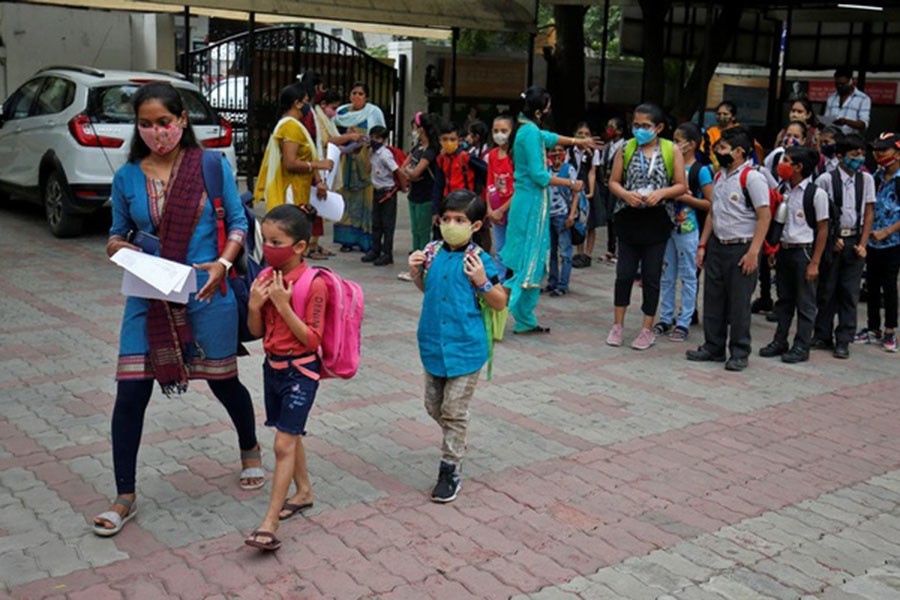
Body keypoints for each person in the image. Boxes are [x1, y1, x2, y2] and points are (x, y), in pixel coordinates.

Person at [96, 82, 260, 536]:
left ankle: (249, 448)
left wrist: (224, 264)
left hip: (208, 293)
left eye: (164, 123)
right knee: (130, 393)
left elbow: (240, 223)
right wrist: (118, 249)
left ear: (182, 120)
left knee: (224, 381)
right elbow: (118, 231)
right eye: (145, 125)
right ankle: (124, 495)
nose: (156, 133)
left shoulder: (209, 165)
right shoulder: (128, 175)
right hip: (149, 298)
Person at [408, 190, 508, 503]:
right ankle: (457, 434)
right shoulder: (432, 251)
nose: (452, 224)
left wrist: (482, 281)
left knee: (453, 410)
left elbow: (500, 301)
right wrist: (416, 272)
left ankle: (449, 468)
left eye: (460, 220)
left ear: (475, 225)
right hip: (433, 344)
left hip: (466, 348)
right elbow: (429, 288)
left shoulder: (480, 260)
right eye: (447, 219)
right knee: (433, 406)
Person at [244, 205, 328, 552]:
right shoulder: (265, 277)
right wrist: (253, 305)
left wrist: (283, 305)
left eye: (277, 242)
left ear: (300, 247)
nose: (269, 248)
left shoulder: (315, 283)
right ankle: (304, 491)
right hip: (273, 367)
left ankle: (270, 522)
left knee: (282, 444)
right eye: (266, 241)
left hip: (301, 371)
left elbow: (312, 339)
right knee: (289, 434)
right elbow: (256, 331)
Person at [500, 86, 595, 334]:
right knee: (528, 263)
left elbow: (551, 138)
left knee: (529, 262)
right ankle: (496, 310)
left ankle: (524, 320)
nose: (550, 109)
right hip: (531, 204)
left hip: (529, 203)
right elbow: (539, 176)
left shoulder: (527, 129)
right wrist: (571, 184)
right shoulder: (529, 133)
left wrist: (577, 141)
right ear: (541, 109)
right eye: (549, 105)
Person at [687, 126, 772, 371]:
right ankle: (713, 347)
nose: (717, 152)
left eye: (723, 148)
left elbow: (764, 216)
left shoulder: (753, 178)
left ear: (739, 152)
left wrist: (753, 252)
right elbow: (714, 212)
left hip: (741, 248)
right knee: (713, 300)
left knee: (738, 304)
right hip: (717, 246)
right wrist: (703, 244)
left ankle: (739, 351)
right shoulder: (719, 176)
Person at [606, 103, 687, 350]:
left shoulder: (671, 149)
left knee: (652, 276)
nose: (640, 130)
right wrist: (626, 195)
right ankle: (618, 325)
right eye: (636, 125)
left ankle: (646, 328)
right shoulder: (625, 148)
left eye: (646, 126)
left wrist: (661, 193)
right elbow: (613, 181)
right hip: (629, 217)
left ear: (659, 127)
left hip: (657, 220)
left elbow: (681, 185)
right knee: (624, 274)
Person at [759, 147, 830, 364]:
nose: (782, 165)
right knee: (784, 300)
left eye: (787, 161)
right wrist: (774, 249)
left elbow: (823, 229)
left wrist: (815, 262)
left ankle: (802, 345)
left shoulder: (815, 194)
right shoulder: (783, 189)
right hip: (785, 250)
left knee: (805, 302)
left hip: (804, 252)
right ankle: (780, 340)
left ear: (798, 167)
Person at [811, 133, 875, 358]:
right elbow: (821, 215)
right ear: (839, 156)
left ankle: (844, 338)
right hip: (834, 240)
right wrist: (831, 239)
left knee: (849, 291)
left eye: (861, 155)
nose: (858, 159)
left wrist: (863, 243)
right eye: (853, 155)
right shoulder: (826, 180)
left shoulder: (866, 180)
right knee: (827, 288)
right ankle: (822, 333)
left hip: (854, 240)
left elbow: (868, 212)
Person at [655, 122, 712, 342]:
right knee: (667, 274)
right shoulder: (669, 166)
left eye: (678, 140)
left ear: (691, 145)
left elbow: (710, 204)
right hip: (667, 228)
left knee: (689, 275)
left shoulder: (701, 170)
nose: (674, 144)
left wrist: (684, 197)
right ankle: (665, 317)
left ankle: (684, 320)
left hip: (689, 229)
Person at [254, 82, 331, 213]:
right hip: (290, 191)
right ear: (297, 103)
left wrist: (318, 179)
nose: (308, 106)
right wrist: (317, 165)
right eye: (306, 101)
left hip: (300, 190)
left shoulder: (294, 125)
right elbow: (290, 163)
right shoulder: (290, 127)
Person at [855, 132, 900, 352]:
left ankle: (890, 330)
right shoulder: (876, 176)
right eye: (877, 150)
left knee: (889, 287)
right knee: (871, 285)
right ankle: (873, 328)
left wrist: (887, 231)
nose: (878, 154)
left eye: (884, 150)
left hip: (893, 243)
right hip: (872, 242)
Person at [333, 82, 386, 253]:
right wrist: (347, 138)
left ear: (367, 97)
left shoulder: (373, 112)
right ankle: (346, 240)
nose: (356, 96)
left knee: (365, 199)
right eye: (354, 92)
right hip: (345, 160)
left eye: (360, 94)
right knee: (345, 197)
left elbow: (379, 135)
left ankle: (365, 240)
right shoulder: (340, 114)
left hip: (365, 159)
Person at [397, 112, 440, 282]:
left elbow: (414, 172)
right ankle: (416, 266)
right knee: (415, 232)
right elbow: (404, 168)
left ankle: (421, 269)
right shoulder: (417, 149)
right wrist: (410, 174)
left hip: (426, 196)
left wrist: (410, 174)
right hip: (413, 195)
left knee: (423, 233)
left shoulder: (431, 151)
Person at [364, 125, 407, 266]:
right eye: (372, 137)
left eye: (377, 138)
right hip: (376, 190)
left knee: (387, 225)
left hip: (388, 192)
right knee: (376, 223)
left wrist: (403, 186)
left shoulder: (385, 154)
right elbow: (367, 170)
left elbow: (398, 171)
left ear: (383, 140)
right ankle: (375, 250)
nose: (374, 140)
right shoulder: (372, 153)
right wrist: (365, 153)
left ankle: (387, 254)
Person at [546, 145, 580, 296]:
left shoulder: (569, 169)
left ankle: (563, 284)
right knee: (551, 251)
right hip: (548, 215)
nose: (556, 153)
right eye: (553, 150)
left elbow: (576, 193)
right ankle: (552, 282)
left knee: (565, 252)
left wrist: (572, 215)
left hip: (563, 215)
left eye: (560, 150)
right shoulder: (545, 170)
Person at [567, 122, 601, 269]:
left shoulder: (594, 152)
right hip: (574, 187)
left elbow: (592, 171)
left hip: (587, 186)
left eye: (586, 134)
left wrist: (591, 191)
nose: (583, 137)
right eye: (580, 133)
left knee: (590, 223)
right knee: (577, 221)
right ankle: (578, 253)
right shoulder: (570, 150)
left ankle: (587, 254)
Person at [485, 115, 516, 278]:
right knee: (499, 248)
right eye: (496, 130)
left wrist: (502, 209)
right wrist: (490, 209)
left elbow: (518, 188)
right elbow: (489, 182)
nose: (499, 134)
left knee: (516, 246)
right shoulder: (491, 155)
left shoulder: (515, 156)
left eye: (504, 130)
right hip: (497, 208)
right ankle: (500, 282)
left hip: (514, 208)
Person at [599, 117, 627, 263]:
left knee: (618, 216)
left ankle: (619, 250)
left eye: (612, 127)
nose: (609, 130)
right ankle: (610, 249)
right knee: (609, 217)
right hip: (607, 185)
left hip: (619, 186)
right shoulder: (607, 146)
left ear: (620, 131)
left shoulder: (625, 147)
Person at [825, 67, 871, 135]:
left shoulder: (863, 99)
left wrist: (846, 122)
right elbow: (826, 120)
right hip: (832, 138)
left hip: (852, 140)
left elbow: (863, 125)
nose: (840, 86)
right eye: (837, 84)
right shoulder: (831, 98)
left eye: (843, 84)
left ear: (851, 81)